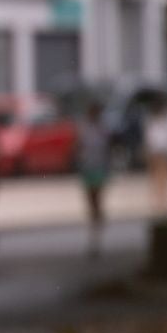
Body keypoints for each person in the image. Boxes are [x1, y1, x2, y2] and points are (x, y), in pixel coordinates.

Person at [74, 99, 114, 257]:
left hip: (99, 169)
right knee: (91, 203)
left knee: (96, 202)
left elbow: (108, 150)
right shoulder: (85, 129)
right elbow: (78, 148)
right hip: (88, 169)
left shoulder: (102, 129)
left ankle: (96, 231)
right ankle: (95, 225)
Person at [141, 95, 167, 215]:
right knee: (157, 177)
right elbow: (149, 137)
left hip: (165, 151)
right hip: (156, 151)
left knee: (166, 176)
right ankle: (160, 201)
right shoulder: (151, 120)